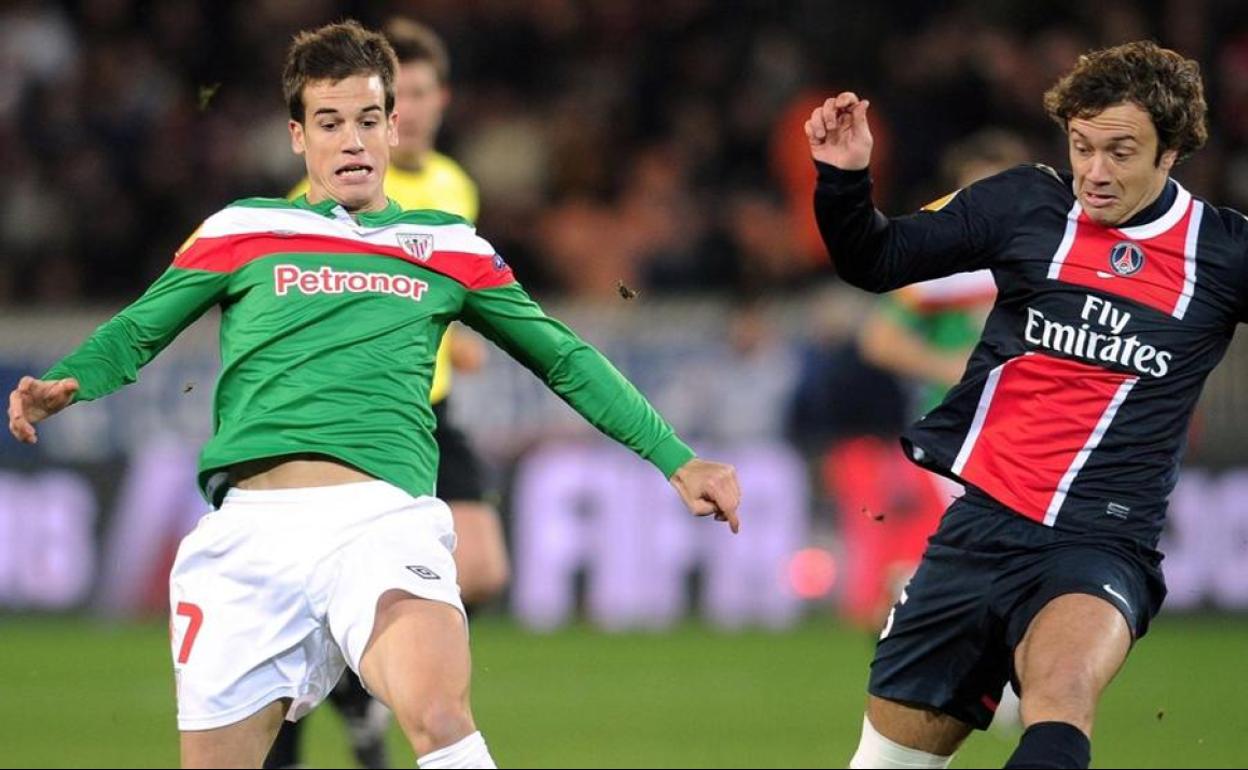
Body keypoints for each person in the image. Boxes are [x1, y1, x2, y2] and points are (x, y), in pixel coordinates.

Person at [8, 20, 740, 770]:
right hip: (248, 538)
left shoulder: (450, 245)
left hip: (382, 525)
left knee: (439, 716)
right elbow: (139, 328)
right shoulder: (244, 228)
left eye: (367, 120)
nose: (351, 140)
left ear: (393, 127)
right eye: (329, 122)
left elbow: (564, 358)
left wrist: (676, 458)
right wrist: (74, 379)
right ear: (298, 136)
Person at [807, 41, 1227, 768]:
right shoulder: (1024, 202)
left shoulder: (1223, 255)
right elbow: (876, 260)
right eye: (1081, 147)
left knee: (1060, 695)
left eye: (1120, 151)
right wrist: (844, 182)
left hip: (1103, 542)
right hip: (981, 526)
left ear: (1172, 152)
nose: (1094, 172)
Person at [269, 18, 501, 769]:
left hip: (425, 409)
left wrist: (456, 334)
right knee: (299, 611)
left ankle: (363, 683)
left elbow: (434, 289)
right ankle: (347, 686)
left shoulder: (453, 186)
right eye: (338, 121)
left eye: (430, 95)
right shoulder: (331, 187)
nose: (419, 112)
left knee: (486, 567)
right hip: (339, 426)